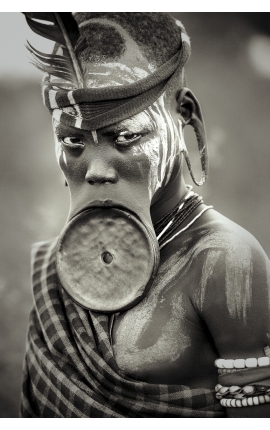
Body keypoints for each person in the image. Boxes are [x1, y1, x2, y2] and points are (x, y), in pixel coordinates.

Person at [20, 12, 270, 418]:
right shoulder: (59, 264)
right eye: (72, 140)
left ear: (184, 113)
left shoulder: (225, 260)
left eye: (127, 136)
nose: (97, 168)